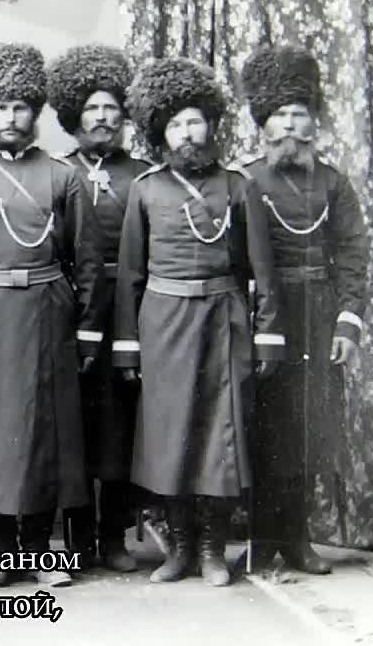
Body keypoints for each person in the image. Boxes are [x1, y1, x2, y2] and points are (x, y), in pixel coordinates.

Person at [0, 43, 105, 589]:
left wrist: (86, 332)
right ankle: (1, 551)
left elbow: (88, 262)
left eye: (20, 107)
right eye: (0, 108)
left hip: (48, 311)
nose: (10, 117)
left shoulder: (62, 177)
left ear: (35, 114)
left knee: (44, 433)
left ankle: (40, 550)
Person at [115, 57, 284, 587]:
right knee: (171, 437)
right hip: (163, 322)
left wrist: (267, 337)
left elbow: (262, 269)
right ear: (159, 133)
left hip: (223, 319)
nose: (187, 133)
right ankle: (180, 548)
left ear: (211, 125)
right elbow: (130, 275)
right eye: (175, 124)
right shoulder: (145, 189)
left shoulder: (238, 187)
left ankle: (213, 549)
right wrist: (128, 346)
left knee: (219, 435)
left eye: (195, 121)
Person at [235, 44, 369, 575]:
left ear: (314, 123)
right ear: (263, 125)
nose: (290, 125)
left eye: (299, 114)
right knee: (263, 424)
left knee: (308, 427)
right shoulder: (245, 180)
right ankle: (261, 538)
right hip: (264, 316)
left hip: (318, 313)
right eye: (280, 115)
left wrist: (347, 323)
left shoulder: (334, 182)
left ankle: (297, 539)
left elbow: (354, 253)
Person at [44, 44, 152, 573]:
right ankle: (77, 538)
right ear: (74, 116)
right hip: (68, 308)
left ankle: (114, 537)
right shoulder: (56, 171)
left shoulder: (144, 176)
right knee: (72, 425)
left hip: (129, 308)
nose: (102, 117)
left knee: (120, 426)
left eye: (111, 108)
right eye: (91, 109)